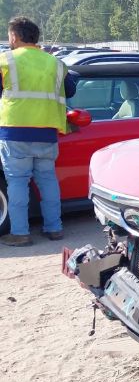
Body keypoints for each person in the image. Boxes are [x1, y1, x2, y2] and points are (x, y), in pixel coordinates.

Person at [0, 16, 77, 247]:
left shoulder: (6, 60)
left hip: (15, 132)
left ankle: (20, 233)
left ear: (14, 36)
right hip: (47, 131)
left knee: (17, 182)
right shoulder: (55, 63)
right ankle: (55, 229)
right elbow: (71, 90)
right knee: (48, 181)